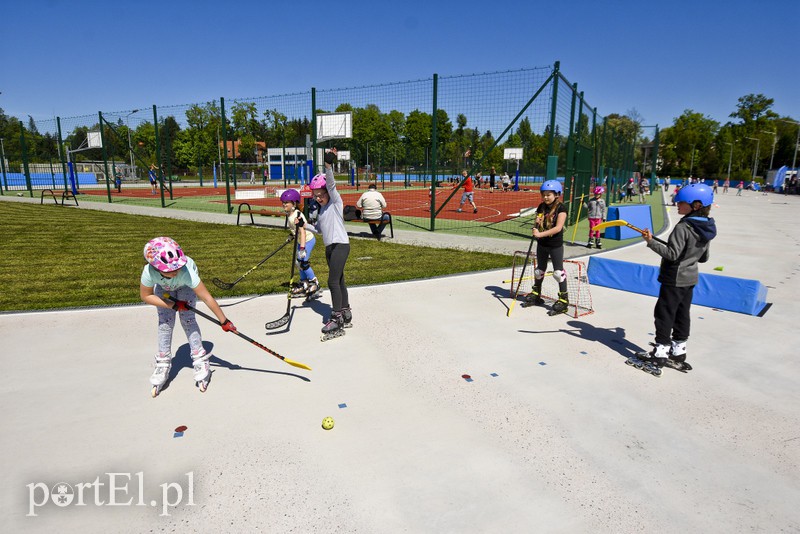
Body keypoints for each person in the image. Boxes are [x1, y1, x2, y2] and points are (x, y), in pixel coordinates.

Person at [139, 237, 236, 396]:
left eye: (177, 266)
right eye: (169, 269)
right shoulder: (149, 272)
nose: (175, 271)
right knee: (165, 323)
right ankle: (163, 362)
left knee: (188, 320)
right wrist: (172, 305)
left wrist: (224, 321)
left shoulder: (185, 272)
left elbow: (206, 297)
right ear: (155, 267)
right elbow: (146, 296)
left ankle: (200, 358)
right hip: (164, 289)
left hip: (185, 286)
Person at [636, 183, 717, 373]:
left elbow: (672, 254)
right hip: (690, 278)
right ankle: (679, 351)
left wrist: (650, 242)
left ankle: (660, 352)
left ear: (696, 205)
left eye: (681, 202)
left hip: (674, 278)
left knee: (664, 314)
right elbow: (703, 257)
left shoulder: (683, 226)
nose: (677, 205)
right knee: (682, 313)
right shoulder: (707, 226)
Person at [308, 148, 352, 339]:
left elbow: (332, 185)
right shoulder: (322, 210)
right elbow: (319, 230)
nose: (318, 198)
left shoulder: (335, 203)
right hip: (330, 248)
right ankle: (346, 310)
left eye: (321, 194)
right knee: (339, 280)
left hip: (341, 245)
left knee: (332, 281)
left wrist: (328, 165)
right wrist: (303, 225)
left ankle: (336, 317)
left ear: (328, 192)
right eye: (315, 195)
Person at [524, 180, 570, 315]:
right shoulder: (541, 207)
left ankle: (563, 300)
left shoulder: (561, 208)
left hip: (555, 245)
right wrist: (536, 224)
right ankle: (536, 293)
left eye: (548, 194)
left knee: (558, 273)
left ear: (557, 194)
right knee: (539, 271)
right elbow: (538, 221)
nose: (545, 197)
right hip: (542, 244)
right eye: (543, 194)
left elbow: (558, 228)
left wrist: (540, 234)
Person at [280, 189, 320, 299]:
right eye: (283, 202)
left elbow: (302, 232)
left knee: (304, 263)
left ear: (294, 204)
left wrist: (302, 248)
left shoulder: (297, 215)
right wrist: (291, 236)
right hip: (300, 241)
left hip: (307, 240)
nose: (284, 204)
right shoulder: (289, 214)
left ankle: (315, 283)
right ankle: (304, 283)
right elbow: (295, 230)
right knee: (298, 263)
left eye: (286, 203)